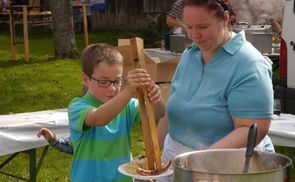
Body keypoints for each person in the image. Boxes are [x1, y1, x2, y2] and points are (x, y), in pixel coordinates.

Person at [157, 0, 274, 181]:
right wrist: (155, 159)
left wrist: (199, 162)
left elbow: (252, 129)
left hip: (224, 168)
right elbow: (172, 113)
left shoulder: (249, 64)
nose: (195, 35)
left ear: (225, 18)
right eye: (189, 27)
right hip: (177, 162)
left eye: (203, 26)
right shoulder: (190, 54)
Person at [68, 43, 165, 182]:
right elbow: (99, 118)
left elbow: (158, 115)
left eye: (117, 81)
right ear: (86, 79)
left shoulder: (127, 104)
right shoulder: (78, 106)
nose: (112, 89)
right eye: (103, 82)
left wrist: (155, 98)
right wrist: (127, 92)